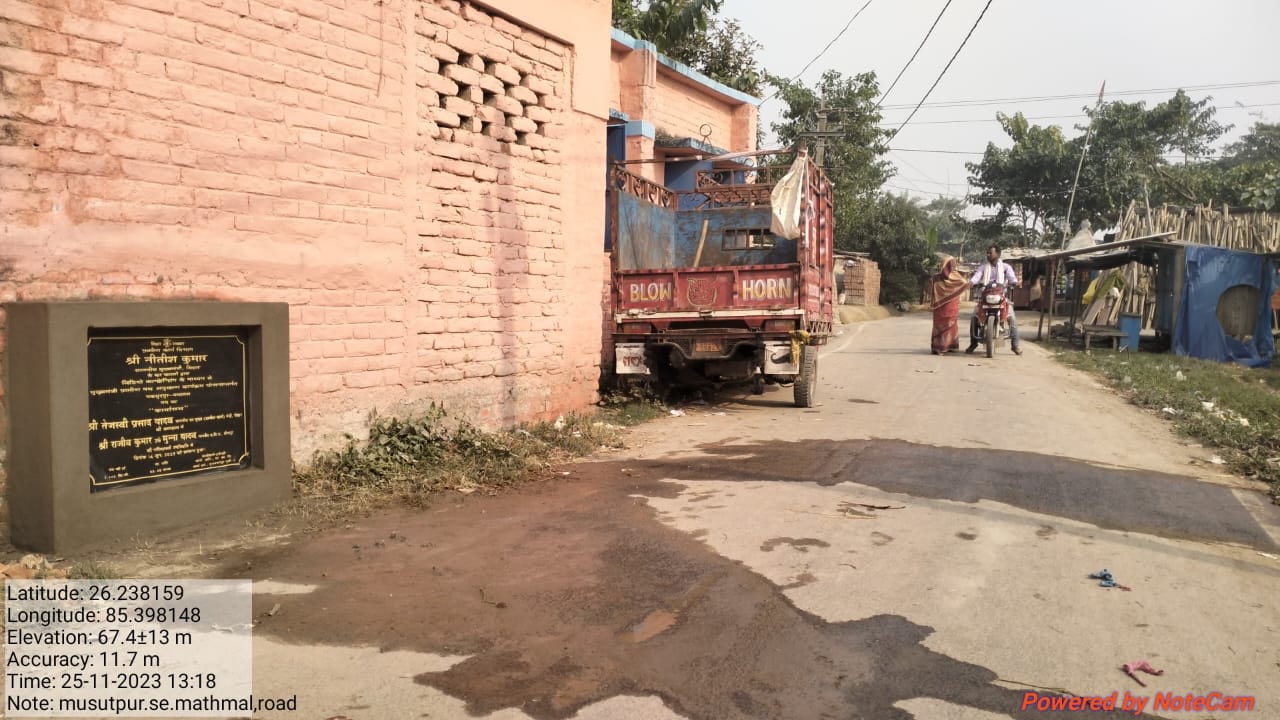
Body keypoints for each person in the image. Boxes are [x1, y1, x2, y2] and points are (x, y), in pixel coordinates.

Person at [966, 245, 1023, 355]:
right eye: (987, 253)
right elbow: (977, 276)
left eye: (990, 253)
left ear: (998, 254)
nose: (988, 255)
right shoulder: (983, 267)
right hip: (985, 297)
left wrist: (1014, 282)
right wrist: (972, 282)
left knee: (1012, 319)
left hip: (1001, 297)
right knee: (974, 317)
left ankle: (1015, 345)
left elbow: (1012, 278)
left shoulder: (1006, 267)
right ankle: (973, 343)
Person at [926, 255, 967, 354]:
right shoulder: (956, 276)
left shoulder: (935, 278)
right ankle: (948, 346)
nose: (953, 266)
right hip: (951, 305)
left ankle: (940, 347)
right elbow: (964, 283)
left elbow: (930, 290)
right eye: (952, 264)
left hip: (940, 306)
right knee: (950, 324)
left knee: (942, 324)